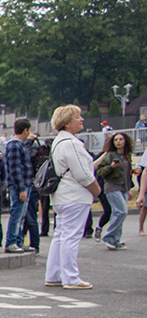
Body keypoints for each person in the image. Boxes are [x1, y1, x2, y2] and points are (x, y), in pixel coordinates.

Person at [44, 105, 100, 289]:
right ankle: (71, 277)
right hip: (74, 195)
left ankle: (54, 274)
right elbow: (83, 173)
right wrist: (96, 190)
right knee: (71, 236)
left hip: (62, 195)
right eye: (77, 117)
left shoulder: (59, 142)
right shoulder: (72, 143)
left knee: (61, 234)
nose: (81, 119)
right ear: (67, 123)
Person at [94, 132, 134, 250]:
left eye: (121, 139)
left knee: (120, 214)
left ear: (125, 141)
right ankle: (109, 236)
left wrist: (130, 189)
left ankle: (115, 240)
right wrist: (111, 167)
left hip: (124, 187)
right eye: (116, 140)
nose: (118, 142)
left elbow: (127, 174)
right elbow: (100, 172)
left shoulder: (127, 155)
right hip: (112, 186)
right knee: (121, 211)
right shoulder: (110, 155)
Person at [3, 118, 37, 253]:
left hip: (22, 184)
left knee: (21, 215)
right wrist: (21, 189)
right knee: (16, 214)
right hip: (20, 185)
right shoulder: (15, 145)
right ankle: (11, 242)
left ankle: (18, 241)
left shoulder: (16, 144)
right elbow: (15, 169)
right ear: (26, 130)